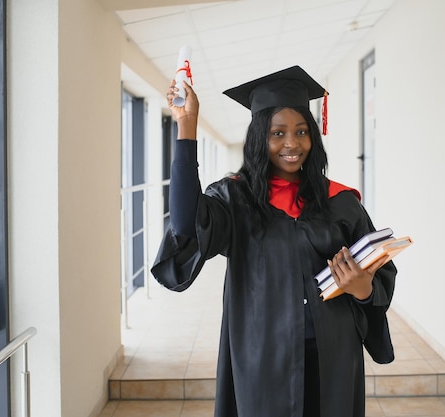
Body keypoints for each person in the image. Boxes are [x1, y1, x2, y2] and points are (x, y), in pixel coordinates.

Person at [151, 66, 397, 417]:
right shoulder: (236, 200)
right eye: (277, 133)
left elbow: (381, 278)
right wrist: (186, 127)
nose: (292, 143)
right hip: (264, 355)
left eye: (301, 132)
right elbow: (186, 222)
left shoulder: (341, 202)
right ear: (258, 139)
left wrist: (362, 288)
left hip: (334, 354)